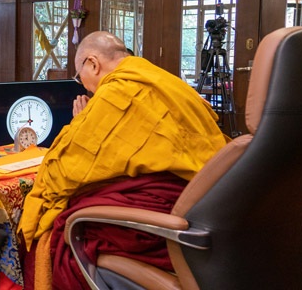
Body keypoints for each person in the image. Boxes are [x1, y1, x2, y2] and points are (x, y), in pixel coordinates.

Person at [18, 31, 230, 252]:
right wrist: (87, 122)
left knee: (54, 232)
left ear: (92, 64)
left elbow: (64, 172)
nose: (84, 86)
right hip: (209, 200)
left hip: (173, 212)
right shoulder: (165, 79)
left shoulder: (115, 92)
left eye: (80, 77)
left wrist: (81, 123)